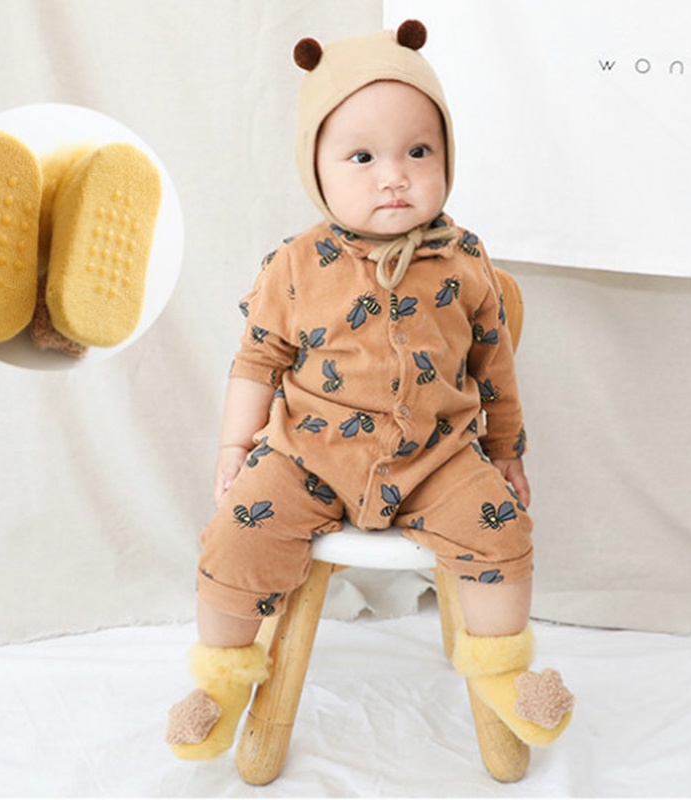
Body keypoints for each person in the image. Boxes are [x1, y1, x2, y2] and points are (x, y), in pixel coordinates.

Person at [166, 20, 573, 761]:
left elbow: (495, 367)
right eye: (362, 157)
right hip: (308, 455)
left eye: (419, 152)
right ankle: (220, 684)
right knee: (237, 537)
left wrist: (507, 453)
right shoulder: (293, 265)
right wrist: (233, 446)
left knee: (503, 531)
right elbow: (256, 361)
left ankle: (503, 673)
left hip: (438, 458)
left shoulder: (464, 259)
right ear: (316, 171)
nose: (394, 176)